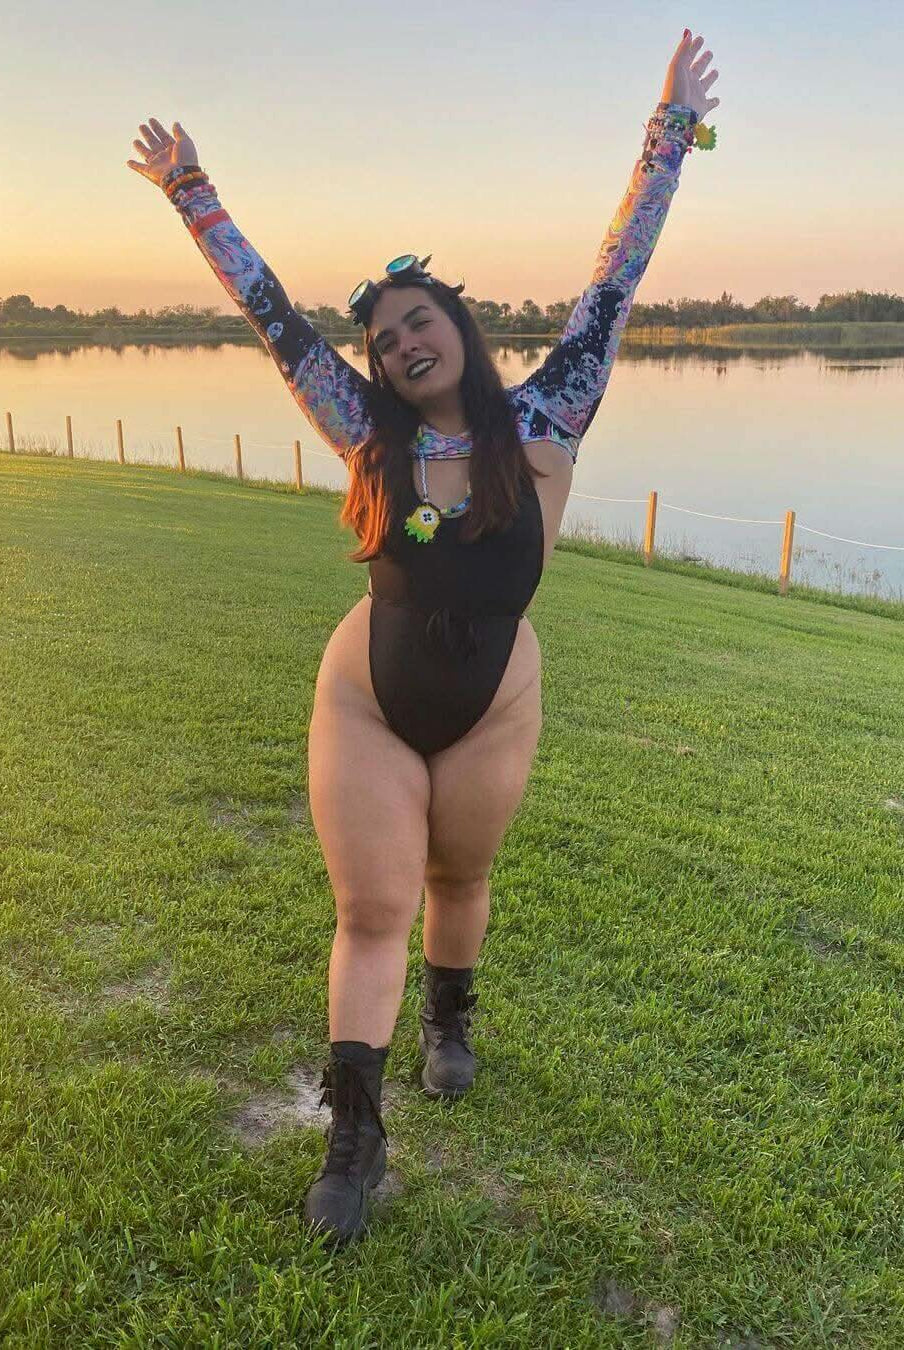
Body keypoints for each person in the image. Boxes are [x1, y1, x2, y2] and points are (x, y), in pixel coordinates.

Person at [127, 29, 719, 1248]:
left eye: (418, 318)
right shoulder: (363, 430)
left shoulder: (555, 403)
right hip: (369, 693)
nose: (400, 341)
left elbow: (620, 271)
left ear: (456, 321)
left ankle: (451, 1021)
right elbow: (270, 315)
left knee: (460, 880)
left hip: (495, 694)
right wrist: (194, 191)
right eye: (385, 337)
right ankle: (357, 1133)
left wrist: (668, 130)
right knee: (372, 904)